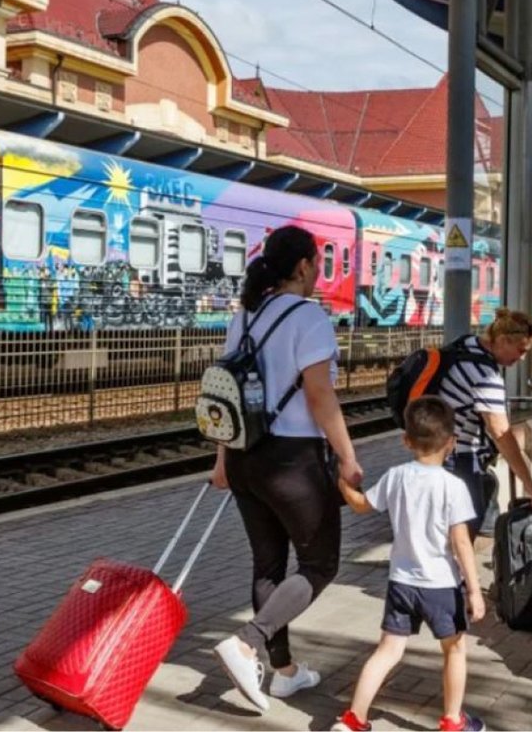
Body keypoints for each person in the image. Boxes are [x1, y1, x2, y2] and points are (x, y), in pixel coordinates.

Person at [209, 225, 365, 712]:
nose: (318, 273)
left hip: (244, 457)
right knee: (320, 564)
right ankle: (247, 643)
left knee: (268, 566)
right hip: (293, 461)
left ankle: (284, 673)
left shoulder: (244, 317)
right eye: (317, 264)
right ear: (302, 266)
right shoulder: (309, 317)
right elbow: (320, 396)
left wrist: (222, 459)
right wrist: (348, 457)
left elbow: (226, 394)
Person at [332, 396, 486, 732]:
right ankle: (453, 721)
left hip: (401, 582)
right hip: (441, 585)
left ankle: (354, 718)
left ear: (406, 440)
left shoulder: (396, 476)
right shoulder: (453, 487)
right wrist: (474, 591)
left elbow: (361, 505)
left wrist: (343, 483)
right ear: (451, 442)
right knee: (454, 649)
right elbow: (461, 542)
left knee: (387, 650)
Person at [438, 308, 532, 538]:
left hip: (436, 448)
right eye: (520, 350)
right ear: (503, 340)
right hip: (455, 456)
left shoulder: (467, 344)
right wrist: (530, 485)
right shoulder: (486, 376)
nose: (522, 358)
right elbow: (501, 433)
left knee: (451, 525)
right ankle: (455, 562)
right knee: (464, 526)